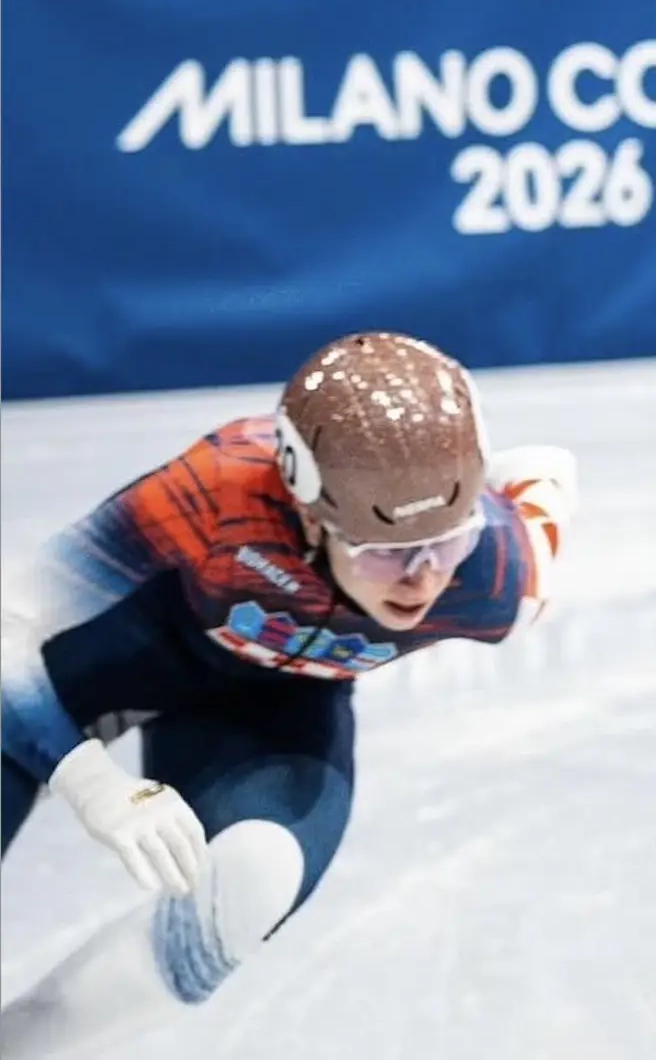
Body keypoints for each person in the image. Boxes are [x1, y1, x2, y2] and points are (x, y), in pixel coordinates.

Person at [0, 331, 576, 1057]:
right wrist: (88, 782)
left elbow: (549, 473)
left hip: (269, 710)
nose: (423, 578)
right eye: (387, 549)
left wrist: (476, 511)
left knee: (256, 878)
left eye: (447, 541)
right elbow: (9, 621)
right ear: (308, 513)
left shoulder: (496, 577)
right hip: (119, 652)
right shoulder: (220, 489)